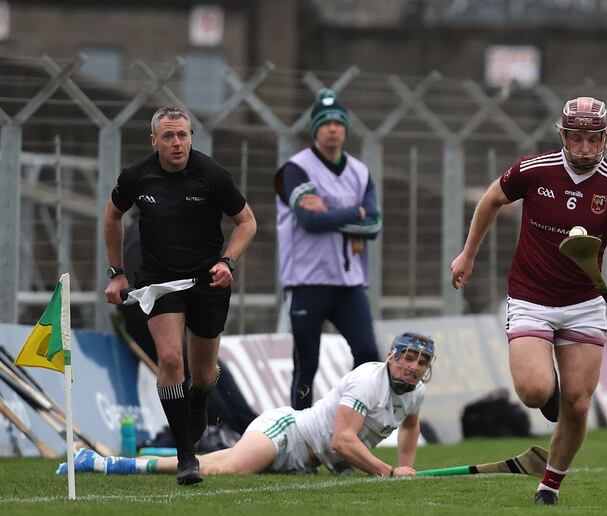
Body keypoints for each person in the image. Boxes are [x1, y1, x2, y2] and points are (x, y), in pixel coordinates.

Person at [450, 96, 607, 506]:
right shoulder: (533, 170)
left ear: (605, 138)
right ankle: (549, 390)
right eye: (577, 139)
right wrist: (468, 254)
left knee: (578, 403)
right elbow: (490, 200)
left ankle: (549, 485)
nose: (585, 148)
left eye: (593, 140)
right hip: (531, 295)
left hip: (585, 301)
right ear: (564, 136)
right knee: (535, 391)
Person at [103, 105, 257, 485]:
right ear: (154, 140)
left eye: (183, 135)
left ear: (192, 138)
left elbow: (247, 223)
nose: (177, 143)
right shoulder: (136, 177)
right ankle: (186, 455)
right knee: (171, 360)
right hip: (158, 282)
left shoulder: (212, 176)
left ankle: (199, 403)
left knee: (203, 374)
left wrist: (229, 262)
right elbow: (110, 217)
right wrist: (117, 274)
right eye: (168, 136)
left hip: (207, 282)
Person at [57, 331, 435, 479]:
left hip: (305, 462)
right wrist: (388, 472)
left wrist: (406, 466)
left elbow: (411, 426)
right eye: (407, 357)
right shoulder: (368, 381)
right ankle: (111, 464)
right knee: (228, 468)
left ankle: (103, 460)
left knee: (219, 462)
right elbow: (342, 440)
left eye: (421, 362)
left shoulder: (415, 393)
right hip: (287, 434)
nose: (413, 366)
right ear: (390, 356)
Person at [274, 88, 381, 410]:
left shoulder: (360, 172)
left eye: (338, 122)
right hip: (307, 281)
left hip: (348, 284)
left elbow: (374, 225)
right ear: (314, 129)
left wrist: (332, 213)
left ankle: (344, 421)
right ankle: (300, 434)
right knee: (306, 364)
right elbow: (308, 220)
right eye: (324, 123)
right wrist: (354, 213)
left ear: (346, 128)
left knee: (367, 355)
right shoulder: (295, 170)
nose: (332, 128)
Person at [115, 207, 258, 439]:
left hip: (159, 313)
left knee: (208, 368)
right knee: (197, 374)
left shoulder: (146, 228)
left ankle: (247, 425)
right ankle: (233, 426)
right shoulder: (155, 232)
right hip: (151, 317)